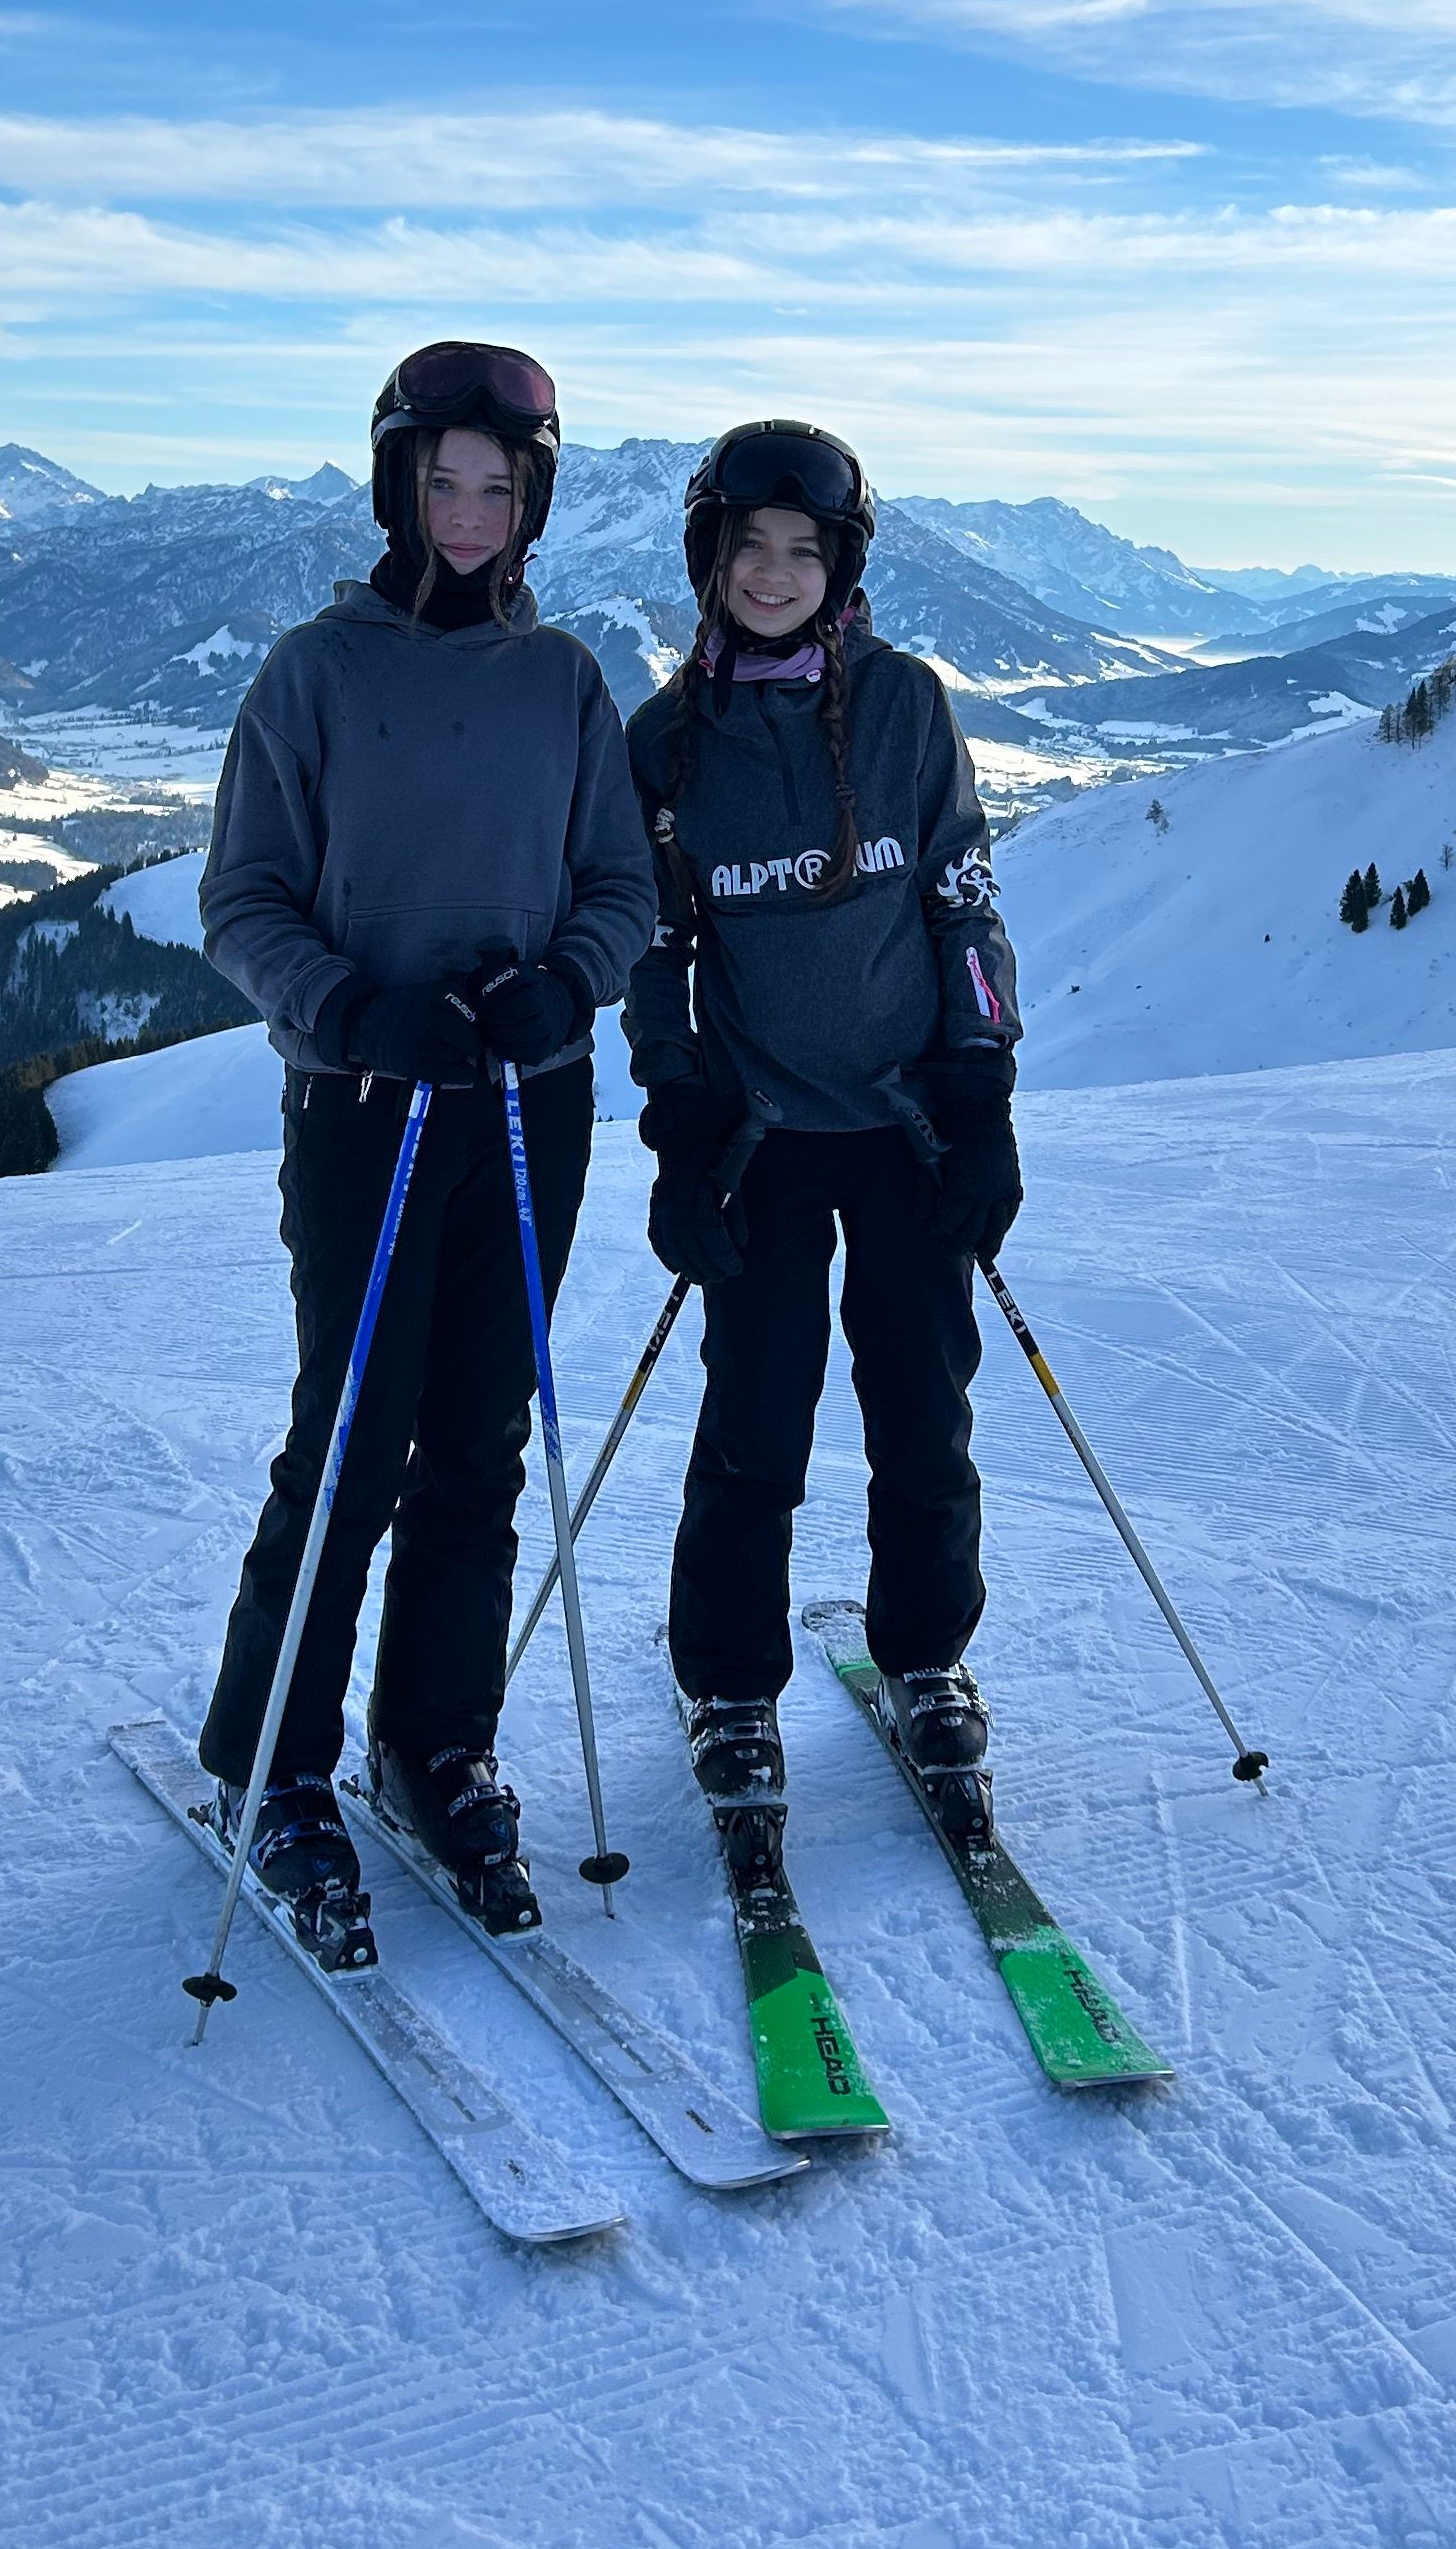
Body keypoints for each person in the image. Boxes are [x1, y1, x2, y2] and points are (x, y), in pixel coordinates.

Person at [193, 340, 656, 1962]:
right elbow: (238, 900)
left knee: (477, 1442)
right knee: (351, 1439)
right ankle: (272, 1766)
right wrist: (350, 1012)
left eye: (498, 488)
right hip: (369, 1107)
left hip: (531, 1106)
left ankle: (433, 1742)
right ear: (397, 484)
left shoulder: (566, 681)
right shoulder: (315, 674)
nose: (468, 514)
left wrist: (563, 990)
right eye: (441, 482)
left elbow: (620, 888)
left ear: (532, 503)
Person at [622, 420, 1025, 1876]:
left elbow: (964, 898)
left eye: (804, 550)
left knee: (927, 1420)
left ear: (842, 568)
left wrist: (981, 1091)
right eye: (749, 548)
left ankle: (928, 1654)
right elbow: (655, 956)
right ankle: (731, 1684)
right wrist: (679, 1125)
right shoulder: (666, 744)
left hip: (910, 1124)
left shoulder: (911, 707)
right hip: (762, 1146)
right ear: (709, 563)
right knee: (758, 1430)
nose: (775, 574)